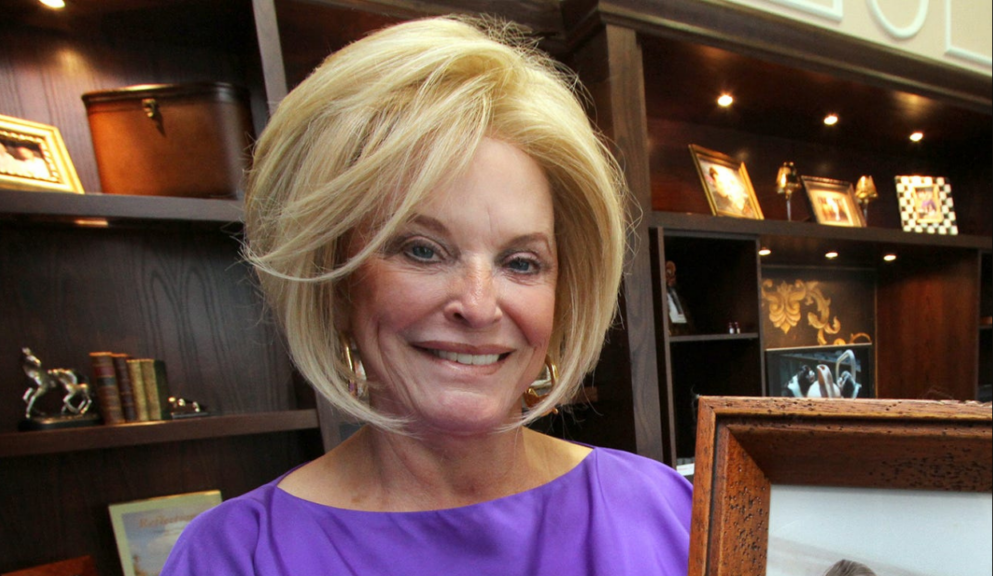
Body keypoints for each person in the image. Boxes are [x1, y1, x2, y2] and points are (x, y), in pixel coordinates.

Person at [162, 16, 691, 576]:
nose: (480, 305)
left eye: (520, 263)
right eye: (422, 251)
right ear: (336, 280)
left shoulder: (667, 512)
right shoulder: (232, 556)